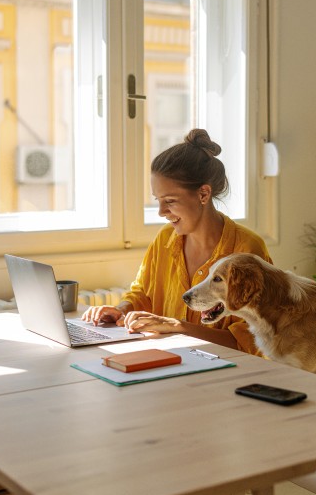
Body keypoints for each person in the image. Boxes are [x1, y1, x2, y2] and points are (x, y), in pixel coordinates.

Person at [81, 128, 272, 353]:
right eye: (158, 200)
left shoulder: (247, 250)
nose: (161, 211)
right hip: (169, 361)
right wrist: (121, 310)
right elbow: (143, 293)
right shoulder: (165, 239)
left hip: (225, 372)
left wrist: (179, 327)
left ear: (203, 194)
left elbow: (251, 343)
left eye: (170, 200)